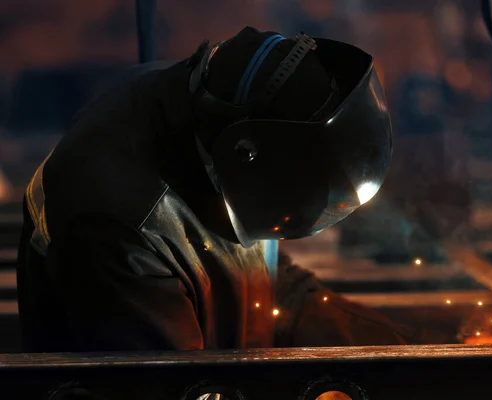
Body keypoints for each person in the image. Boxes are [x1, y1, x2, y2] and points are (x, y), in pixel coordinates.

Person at [17, 26, 414, 352]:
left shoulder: (218, 105)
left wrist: (402, 350)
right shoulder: (117, 220)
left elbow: (271, 286)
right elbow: (178, 384)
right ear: (248, 155)